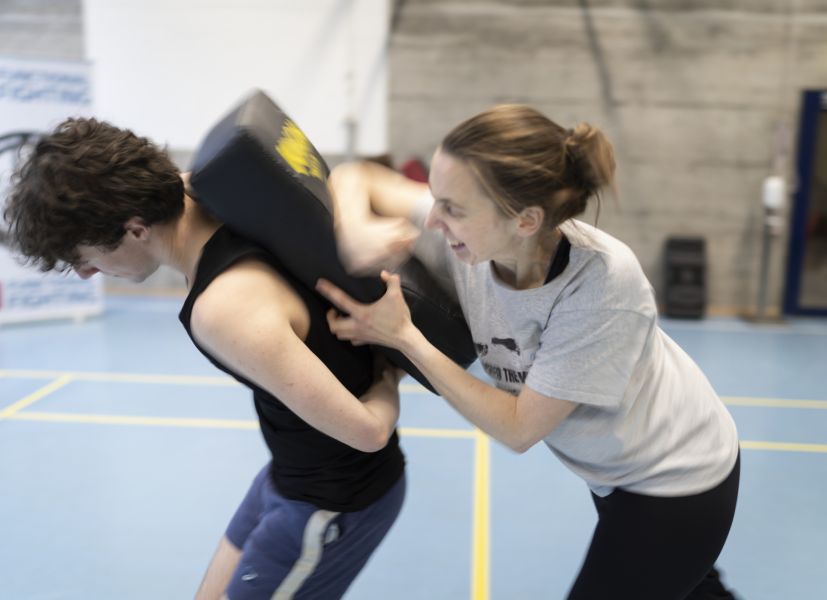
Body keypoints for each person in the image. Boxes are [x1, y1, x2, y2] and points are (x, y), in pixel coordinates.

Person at [315, 104, 741, 599]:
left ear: (525, 220)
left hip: (673, 478)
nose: (432, 218)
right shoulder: (480, 239)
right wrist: (353, 228)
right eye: (435, 197)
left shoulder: (601, 287)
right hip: (612, 470)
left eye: (452, 208)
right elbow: (357, 174)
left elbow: (519, 429)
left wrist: (403, 336)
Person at [4, 117, 406, 600]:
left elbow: (369, 432)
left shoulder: (223, 309)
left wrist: (389, 374)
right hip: (288, 471)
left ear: (135, 229)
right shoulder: (216, 183)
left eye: (84, 256)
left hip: (333, 501)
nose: (88, 273)